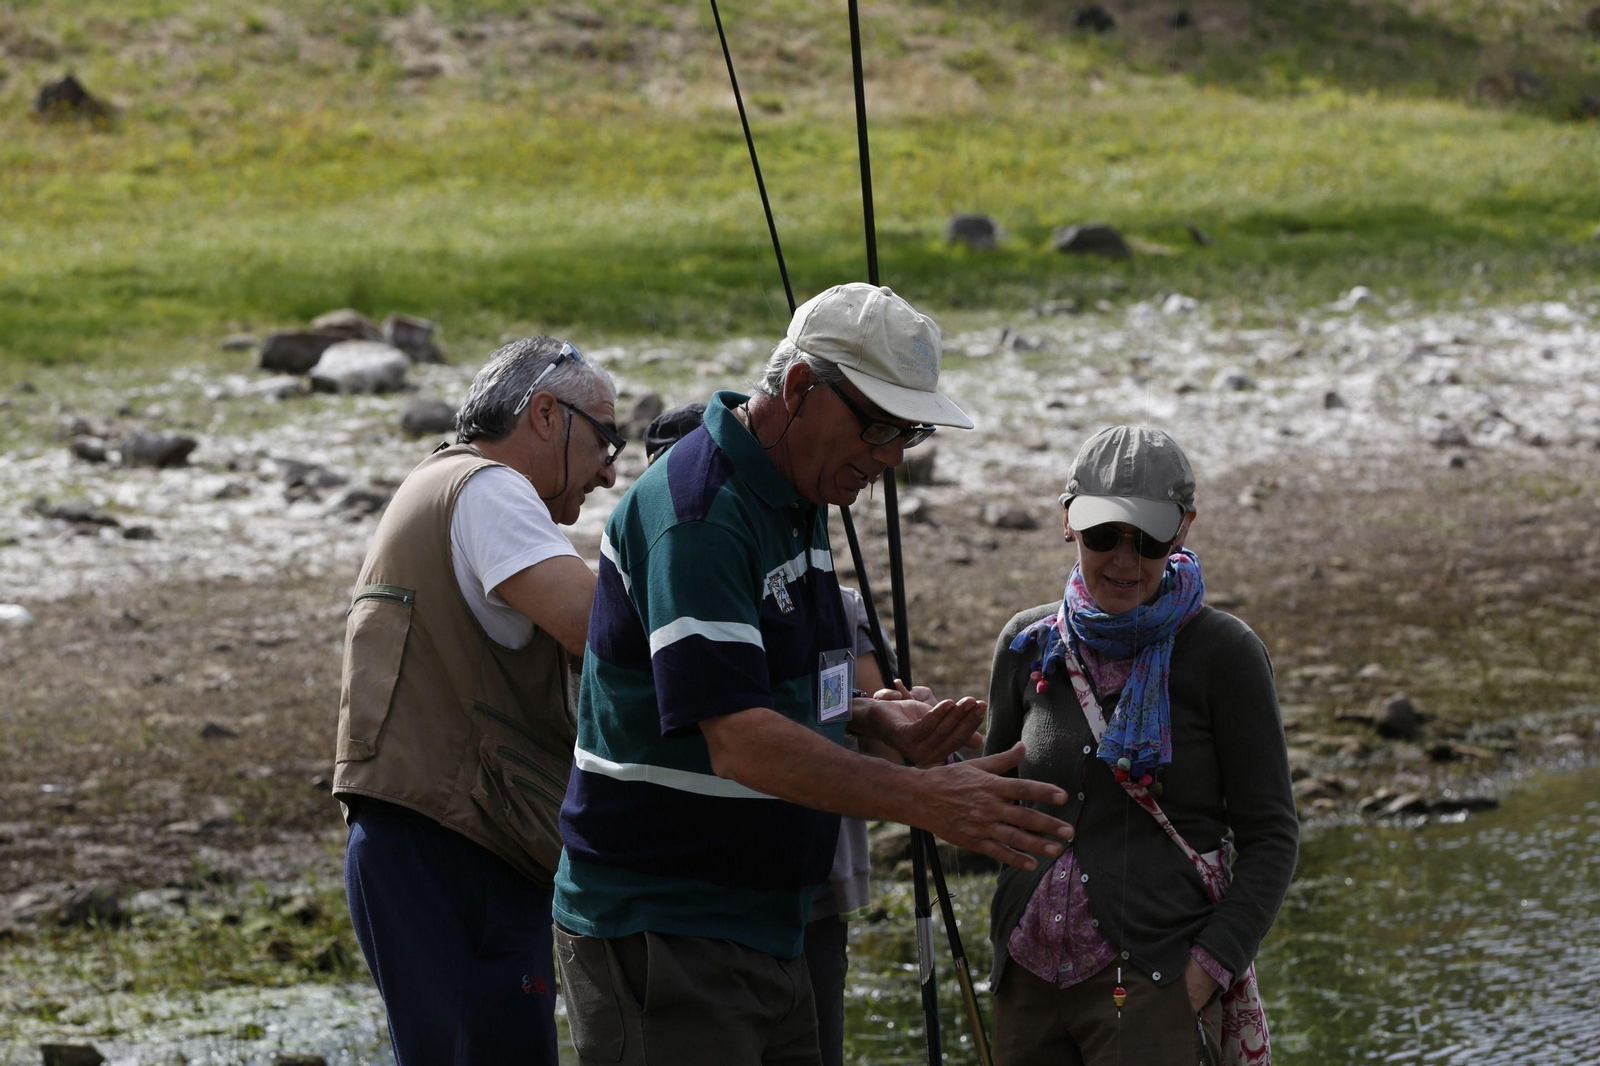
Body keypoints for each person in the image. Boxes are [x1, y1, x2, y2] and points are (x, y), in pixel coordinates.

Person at [554, 283, 1077, 1066]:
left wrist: (870, 715)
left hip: (774, 919)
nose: (894, 456)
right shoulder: (700, 514)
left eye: (910, 430)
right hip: (667, 926)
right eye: (879, 425)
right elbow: (739, 741)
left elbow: (773, 679)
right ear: (799, 390)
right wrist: (929, 801)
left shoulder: (799, 490)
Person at [333, 336, 623, 1065]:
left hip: (447, 840)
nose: (611, 471)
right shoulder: (489, 488)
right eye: (605, 440)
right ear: (547, 416)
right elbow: (600, 630)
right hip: (447, 845)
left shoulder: (443, 484)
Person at [984, 425, 1298, 1066]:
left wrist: (1204, 975)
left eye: (1149, 539)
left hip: (1157, 988)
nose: (1124, 560)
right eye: (1103, 536)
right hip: (1026, 984)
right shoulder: (1026, 642)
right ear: (1068, 521)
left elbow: (1272, 838)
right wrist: (918, 754)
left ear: (1183, 529)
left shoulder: (1226, 655)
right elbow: (991, 808)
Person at [642, 401, 902, 1066]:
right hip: (694, 907)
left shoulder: (828, 599)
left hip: (809, 892)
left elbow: (840, 706)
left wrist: (885, 717)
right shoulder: (660, 588)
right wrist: (922, 798)